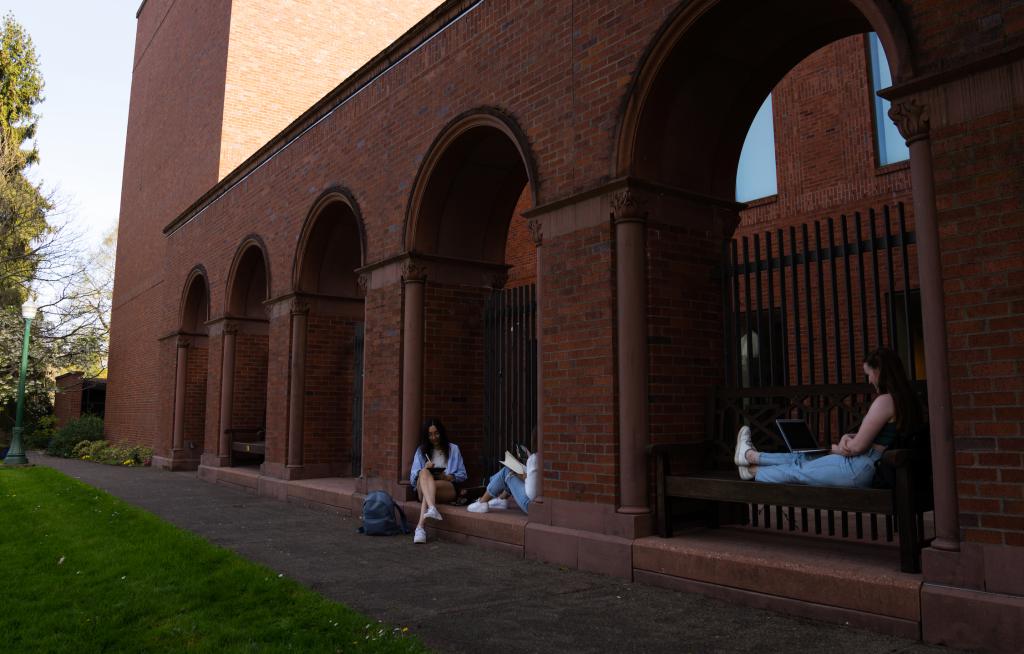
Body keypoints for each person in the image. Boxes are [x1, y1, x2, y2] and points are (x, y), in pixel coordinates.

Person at [735, 348, 923, 487]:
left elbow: (858, 447)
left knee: (799, 471)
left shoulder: (884, 401)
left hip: (860, 466)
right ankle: (750, 456)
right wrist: (849, 439)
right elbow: (876, 436)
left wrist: (843, 445)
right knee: (803, 459)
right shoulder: (907, 400)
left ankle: (752, 471)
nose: (869, 380)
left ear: (879, 371)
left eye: (869, 374)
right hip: (866, 463)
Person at [409, 418, 467, 543]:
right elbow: (412, 478)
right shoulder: (421, 451)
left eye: (436, 433)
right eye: (430, 434)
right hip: (423, 486)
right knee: (424, 473)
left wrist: (449, 477)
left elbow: (463, 474)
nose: (434, 437)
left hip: (445, 487)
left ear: (442, 432)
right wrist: (425, 468)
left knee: (429, 490)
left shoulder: (453, 449)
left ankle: (421, 527)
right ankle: (431, 509)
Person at [468, 445, 538, 514]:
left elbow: (531, 493)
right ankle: (502, 499)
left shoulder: (535, 458)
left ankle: (482, 502)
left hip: (531, 505)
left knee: (506, 471)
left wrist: (523, 476)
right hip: (536, 504)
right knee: (512, 471)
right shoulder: (546, 459)